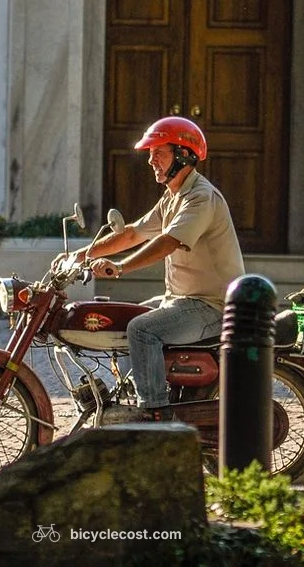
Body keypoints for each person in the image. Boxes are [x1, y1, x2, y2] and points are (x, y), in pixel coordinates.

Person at [62, 116, 245, 421]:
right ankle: (128, 397)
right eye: (150, 154)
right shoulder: (173, 196)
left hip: (212, 306)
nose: (151, 161)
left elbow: (169, 241)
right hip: (182, 300)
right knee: (124, 317)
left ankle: (154, 414)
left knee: (142, 329)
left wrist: (119, 267)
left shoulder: (200, 197)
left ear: (183, 155)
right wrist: (80, 255)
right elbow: (133, 233)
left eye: (158, 153)